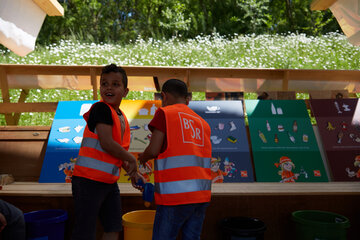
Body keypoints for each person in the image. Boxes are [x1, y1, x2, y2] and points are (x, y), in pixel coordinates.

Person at [71, 64, 143, 240]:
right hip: (88, 181)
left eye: (115, 84)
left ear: (125, 91)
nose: (109, 88)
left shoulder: (121, 117)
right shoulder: (100, 109)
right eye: (104, 84)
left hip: (108, 182)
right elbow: (107, 143)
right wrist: (132, 161)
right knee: (84, 232)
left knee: (113, 227)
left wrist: (133, 172)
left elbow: (116, 153)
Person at [138, 79, 212, 240]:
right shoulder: (203, 123)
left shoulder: (165, 114)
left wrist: (141, 158)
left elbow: (153, 149)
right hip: (201, 196)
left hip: (175, 196)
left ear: (163, 96)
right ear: (187, 99)